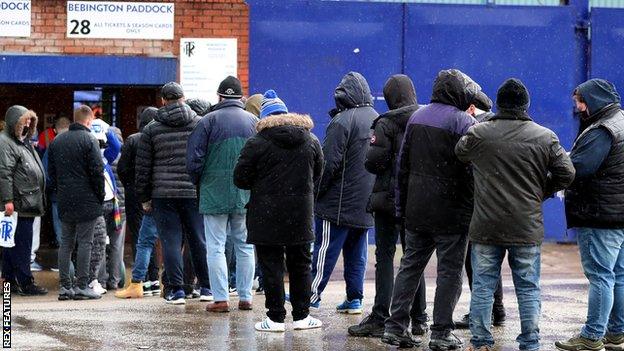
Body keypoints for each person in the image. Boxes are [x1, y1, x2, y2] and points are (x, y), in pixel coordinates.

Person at [455, 78, 575, 351]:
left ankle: (481, 342)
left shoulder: (480, 133)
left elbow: (459, 153)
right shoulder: (545, 136)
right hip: (526, 225)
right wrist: (540, 191)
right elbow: (567, 173)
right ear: (526, 105)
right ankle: (530, 343)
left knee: (483, 286)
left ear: (499, 103)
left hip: (486, 224)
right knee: (528, 287)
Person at [381, 69, 479, 350]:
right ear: (457, 92)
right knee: (449, 272)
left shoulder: (417, 117)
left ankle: (395, 326)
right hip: (453, 212)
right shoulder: (464, 122)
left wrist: (401, 206)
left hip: (417, 210)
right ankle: (441, 332)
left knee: (410, 267)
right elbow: (472, 170)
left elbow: (403, 167)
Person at [349, 74, 428, 338]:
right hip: (415, 200)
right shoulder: (425, 119)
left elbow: (373, 162)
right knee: (413, 258)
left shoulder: (385, 122)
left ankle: (381, 316)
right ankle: (419, 318)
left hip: (386, 200)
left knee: (384, 258)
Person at [234, 102, 324, 332]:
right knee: (301, 264)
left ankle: (274, 319)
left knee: (271, 265)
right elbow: (319, 173)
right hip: (300, 212)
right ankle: (302, 316)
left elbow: (240, 178)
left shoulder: (256, 143)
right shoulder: (310, 140)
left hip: (266, 214)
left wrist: (262, 185)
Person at [556, 79, 624, 351]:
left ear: (593, 100)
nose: (578, 108)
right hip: (617, 213)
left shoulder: (602, 130)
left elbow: (578, 167)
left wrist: (551, 176)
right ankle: (616, 332)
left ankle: (592, 335)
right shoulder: (620, 120)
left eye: (580, 102)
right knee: (618, 275)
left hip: (599, 214)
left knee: (601, 276)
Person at [187, 76, 258, 312]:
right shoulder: (253, 122)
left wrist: (202, 182)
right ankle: (246, 296)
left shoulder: (207, 121)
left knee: (215, 246)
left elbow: (193, 161)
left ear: (219, 96)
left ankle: (220, 298)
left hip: (213, 191)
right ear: (240, 97)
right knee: (245, 245)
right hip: (245, 193)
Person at [136, 82, 210, 305]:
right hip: (193, 191)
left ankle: (176, 290)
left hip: (163, 193)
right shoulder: (199, 124)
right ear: (183, 97)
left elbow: (143, 168)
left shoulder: (151, 128)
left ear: (163, 101)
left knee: (170, 241)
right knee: (198, 240)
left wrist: (144, 197)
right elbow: (205, 159)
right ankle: (206, 287)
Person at [310, 72, 377, 314]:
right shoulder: (377, 119)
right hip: (365, 203)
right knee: (357, 253)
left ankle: (311, 294)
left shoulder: (342, 121)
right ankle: (355, 298)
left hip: (337, 203)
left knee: (325, 250)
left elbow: (328, 164)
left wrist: (316, 192)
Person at [454, 93, 508, 330]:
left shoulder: (478, 129)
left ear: (472, 108)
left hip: (480, 205)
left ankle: (484, 314)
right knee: (488, 261)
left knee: (476, 261)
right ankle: (496, 310)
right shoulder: (498, 127)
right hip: (499, 206)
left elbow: (461, 157)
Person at [48, 105, 104, 300]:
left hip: (65, 200)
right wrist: (99, 196)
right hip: (87, 200)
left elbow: (52, 174)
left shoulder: (57, 141)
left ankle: (65, 287)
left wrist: (61, 191)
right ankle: (82, 285)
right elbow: (97, 172)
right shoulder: (89, 140)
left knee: (66, 243)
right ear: (88, 121)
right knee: (85, 243)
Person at [0, 105, 48, 296]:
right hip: (19, 204)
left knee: (12, 244)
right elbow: (4, 173)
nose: (28, 124)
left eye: (30, 121)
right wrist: (7, 200)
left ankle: (9, 282)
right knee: (21, 244)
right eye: (24, 121)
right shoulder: (6, 142)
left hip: (26, 202)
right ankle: (25, 282)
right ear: (15, 122)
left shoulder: (21, 142)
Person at [116, 107, 161, 298]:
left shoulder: (133, 139)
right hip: (157, 194)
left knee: (139, 238)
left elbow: (123, 169)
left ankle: (141, 281)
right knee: (153, 237)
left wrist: (131, 186)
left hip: (135, 196)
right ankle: (154, 280)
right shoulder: (158, 137)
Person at [88, 122, 122, 295]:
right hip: (99, 204)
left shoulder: (104, 157)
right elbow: (116, 146)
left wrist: (105, 129)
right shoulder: (94, 158)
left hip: (111, 205)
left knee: (103, 243)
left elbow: (116, 146)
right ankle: (101, 280)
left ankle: (109, 280)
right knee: (100, 243)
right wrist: (106, 130)